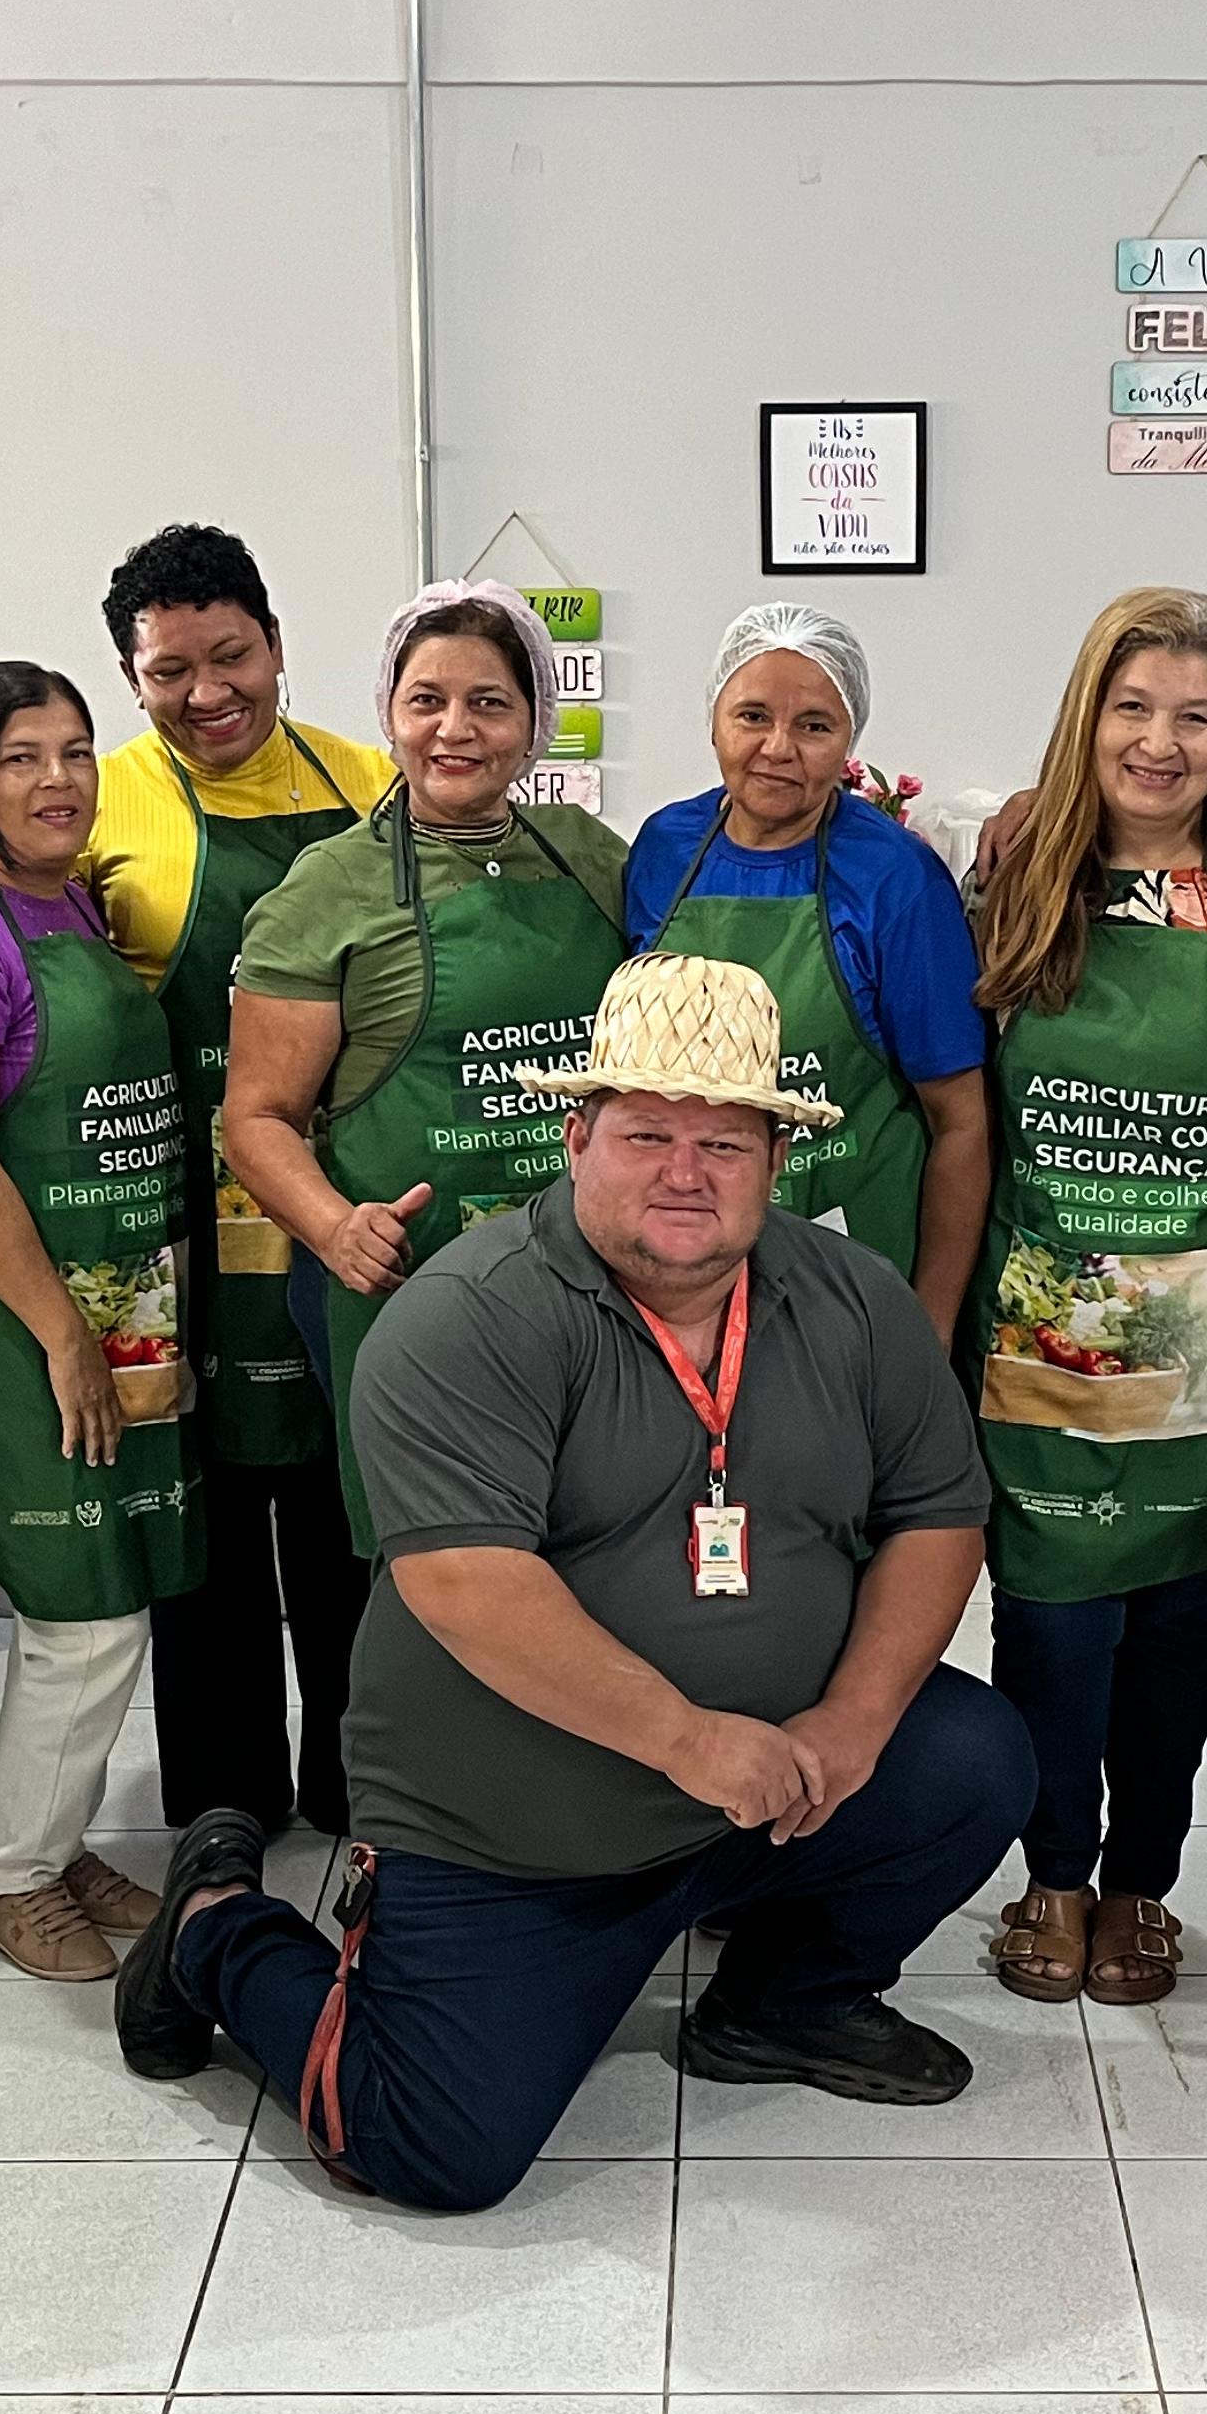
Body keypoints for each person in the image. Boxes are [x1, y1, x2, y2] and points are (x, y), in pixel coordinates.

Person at [110, 955, 1032, 2212]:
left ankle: (784, 2006)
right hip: (515, 1828)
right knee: (425, 2151)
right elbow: (467, 1586)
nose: (685, 1172)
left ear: (778, 1159)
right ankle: (220, 1929)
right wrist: (690, 1738)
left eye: (725, 1140)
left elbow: (939, 1513)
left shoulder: (852, 1297)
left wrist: (851, 1724)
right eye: (647, 1133)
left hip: (760, 1785)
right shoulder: (470, 1316)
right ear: (576, 1132)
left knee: (971, 1757)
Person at [968, 588, 1207, 2010]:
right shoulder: (1012, 870)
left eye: (1195, 719)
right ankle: (1051, 1872)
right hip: (1042, 1335)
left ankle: (1140, 1887)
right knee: (1051, 1620)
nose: (1159, 744)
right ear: (1087, 716)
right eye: (1133, 709)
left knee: (1174, 1633)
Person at [0, 663, 201, 1976]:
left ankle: (55, 1843)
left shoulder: (68, 904)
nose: (60, 779)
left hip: (120, 1298)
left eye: (76, 751)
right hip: (23, 1314)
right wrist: (64, 1336)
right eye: (23, 759)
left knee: (115, 1581)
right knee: (80, 1604)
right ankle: (10, 1878)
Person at [86, 525, 398, 1845]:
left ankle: (355, 1773)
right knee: (203, 1514)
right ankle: (222, 1794)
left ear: (276, 646)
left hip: (344, 1195)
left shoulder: (376, 780)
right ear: (128, 675)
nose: (207, 692)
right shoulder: (94, 802)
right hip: (173, 1211)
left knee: (345, 1495)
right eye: (169, 671)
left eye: (232, 657)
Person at [218, 579, 631, 1550]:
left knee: (591, 1549)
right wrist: (334, 1228)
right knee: (436, 1573)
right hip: (404, 1288)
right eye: (427, 700)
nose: (456, 729)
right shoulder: (327, 891)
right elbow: (257, 1116)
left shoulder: (590, 858)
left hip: (587, 1283)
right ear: (390, 715)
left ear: (534, 725)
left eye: (490, 702)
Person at [627, 601, 991, 1332]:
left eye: (815, 726)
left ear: (850, 739)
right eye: (752, 716)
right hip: (683, 1245)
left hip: (850, 1247)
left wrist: (931, 1323)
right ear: (714, 722)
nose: (778, 747)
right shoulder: (664, 848)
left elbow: (960, 1122)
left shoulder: (896, 876)